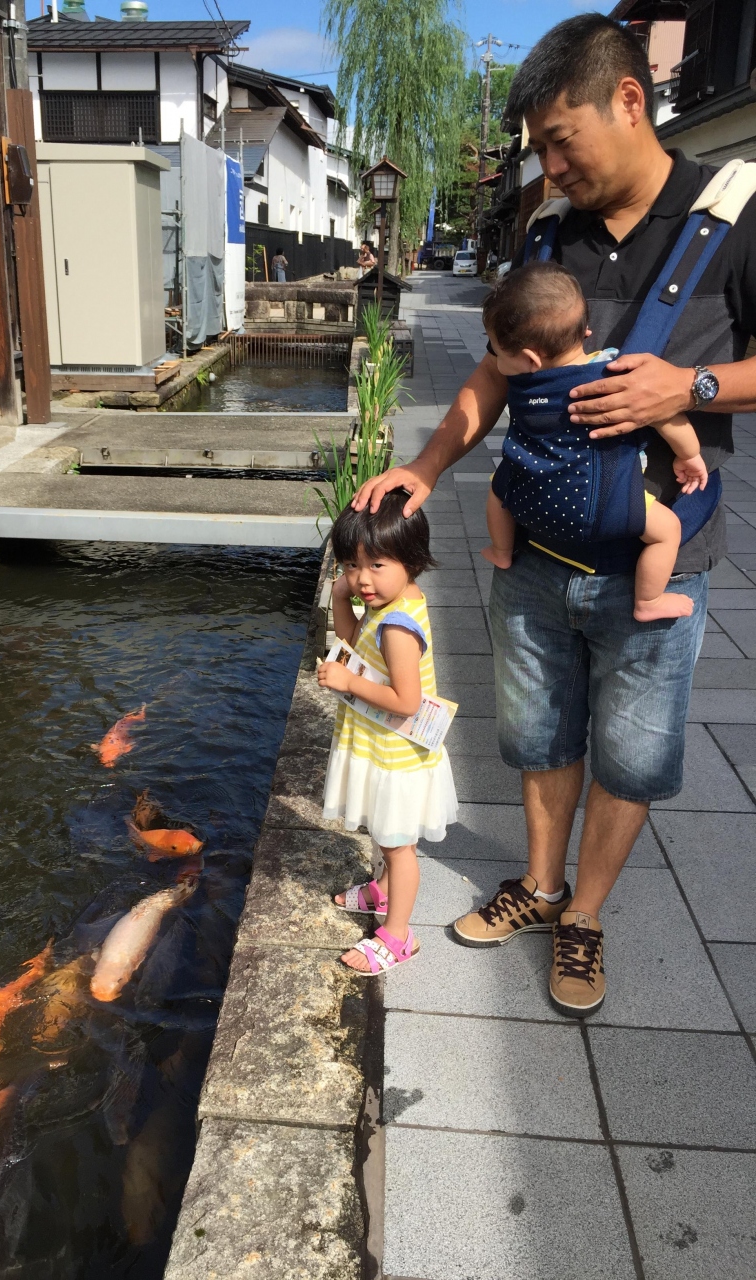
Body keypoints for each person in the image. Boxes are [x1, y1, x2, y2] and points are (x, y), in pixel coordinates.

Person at [352, 13, 756, 1018]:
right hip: (534, 550)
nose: (547, 162)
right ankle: (538, 887)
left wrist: (689, 388)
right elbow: (493, 372)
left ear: (630, 100)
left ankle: (589, 911)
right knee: (537, 735)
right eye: (537, 145)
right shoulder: (543, 232)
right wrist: (426, 462)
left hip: (656, 552)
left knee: (629, 750)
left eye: (557, 139)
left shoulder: (736, 214)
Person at [481, 261, 708, 622]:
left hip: (529, 505)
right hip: (603, 506)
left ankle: (502, 549)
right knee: (668, 532)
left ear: (528, 360)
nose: (494, 360)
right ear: (586, 332)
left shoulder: (522, 387)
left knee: (496, 488)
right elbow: (665, 416)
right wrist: (690, 455)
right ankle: (648, 601)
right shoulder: (613, 375)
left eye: (495, 350)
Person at [317, 491, 458, 975]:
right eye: (352, 567)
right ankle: (381, 892)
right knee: (383, 834)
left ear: (412, 558)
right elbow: (354, 642)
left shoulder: (398, 624)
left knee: (399, 845)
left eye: (376, 565)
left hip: (394, 754)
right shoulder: (396, 598)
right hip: (382, 746)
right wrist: (341, 599)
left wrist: (348, 682)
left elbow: (407, 700)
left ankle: (398, 936)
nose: (362, 580)